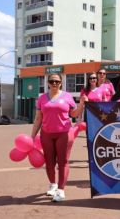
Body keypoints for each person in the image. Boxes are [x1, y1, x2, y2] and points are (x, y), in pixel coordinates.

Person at [31, 74, 85, 202]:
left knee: (63, 162)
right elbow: (38, 118)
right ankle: (53, 185)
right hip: (46, 134)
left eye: (57, 81)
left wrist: (81, 105)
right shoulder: (42, 98)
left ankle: (61, 190)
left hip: (64, 134)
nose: (54, 83)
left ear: (61, 83)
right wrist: (32, 136)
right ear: (48, 83)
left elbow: (73, 114)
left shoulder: (67, 96)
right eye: (52, 81)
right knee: (49, 162)